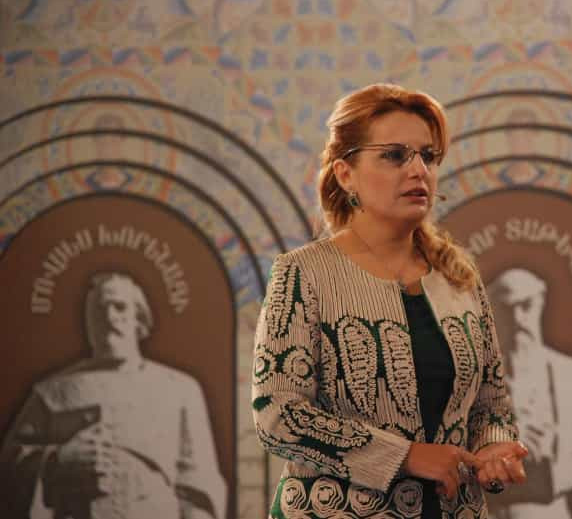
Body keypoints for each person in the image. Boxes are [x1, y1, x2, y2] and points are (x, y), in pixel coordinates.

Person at [251, 83, 528, 519]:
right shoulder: (304, 273)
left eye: (428, 156)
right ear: (346, 174)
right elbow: (278, 415)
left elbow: (490, 407)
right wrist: (406, 456)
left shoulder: (458, 276)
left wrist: (494, 448)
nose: (419, 170)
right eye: (395, 155)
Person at [0, 272, 226, 519]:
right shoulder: (53, 392)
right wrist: (57, 461)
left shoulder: (181, 390)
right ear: (88, 324)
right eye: (99, 310)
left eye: (119, 307)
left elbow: (199, 485)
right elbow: (8, 469)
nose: (109, 317)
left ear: (139, 319)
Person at [486, 268, 572, 519]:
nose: (517, 318)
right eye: (506, 309)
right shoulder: (474, 382)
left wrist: (560, 440)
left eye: (526, 306)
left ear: (540, 305)